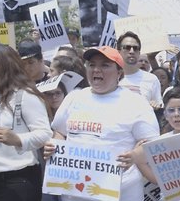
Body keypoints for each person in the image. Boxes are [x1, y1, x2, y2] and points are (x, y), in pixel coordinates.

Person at [46, 46, 160, 201]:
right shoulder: (74, 98)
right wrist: (54, 147)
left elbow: (152, 145)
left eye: (105, 65)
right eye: (92, 64)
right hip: (75, 193)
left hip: (121, 192)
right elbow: (59, 133)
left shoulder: (135, 103)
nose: (96, 70)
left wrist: (134, 156)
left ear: (119, 73)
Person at [0, 43, 52, 201]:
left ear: (6, 65)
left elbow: (45, 134)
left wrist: (19, 139)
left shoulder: (25, 95)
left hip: (17, 182)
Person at [117, 31, 163, 108]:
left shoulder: (151, 79)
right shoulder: (110, 77)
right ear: (119, 51)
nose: (131, 51)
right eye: (127, 48)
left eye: (135, 48)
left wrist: (155, 107)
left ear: (139, 52)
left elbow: (159, 106)